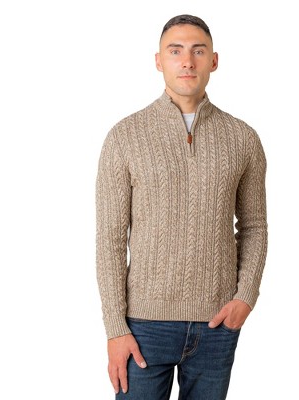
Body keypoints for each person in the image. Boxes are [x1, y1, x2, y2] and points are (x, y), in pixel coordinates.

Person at [96, 14, 268, 400]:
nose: (187, 61)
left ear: (214, 60)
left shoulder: (243, 138)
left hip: (217, 324)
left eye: (198, 51)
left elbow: (254, 226)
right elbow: (109, 239)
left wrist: (246, 296)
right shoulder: (124, 136)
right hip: (143, 325)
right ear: (159, 61)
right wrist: (115, 328)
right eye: (175, 51)